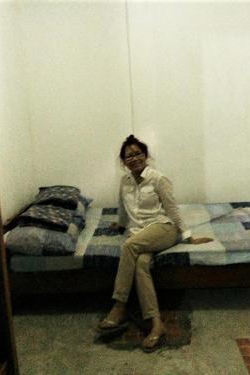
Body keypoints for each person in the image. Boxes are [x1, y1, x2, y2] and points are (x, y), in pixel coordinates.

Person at [96, 135, 212, 352]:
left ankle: (119, 306)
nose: (134, 158)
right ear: (123, 161)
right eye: (129, 155)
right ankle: (157, 325)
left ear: (146, 156)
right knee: (140, 265)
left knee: (129, 246)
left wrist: (188, 236)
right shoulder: (125, 182)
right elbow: (122, 208)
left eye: (138, 153)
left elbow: (172, 209)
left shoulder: (158, 179)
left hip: (163, 229)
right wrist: (120, 224)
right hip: (140, 233)